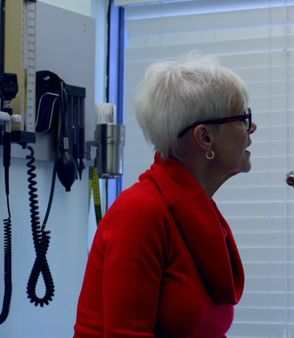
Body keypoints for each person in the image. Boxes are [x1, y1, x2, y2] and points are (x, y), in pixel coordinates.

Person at [74, 53, 256, 338]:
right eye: (243, 117)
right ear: (205, 137)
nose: (251, 128)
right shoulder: (140, 213)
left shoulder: (197, 210)